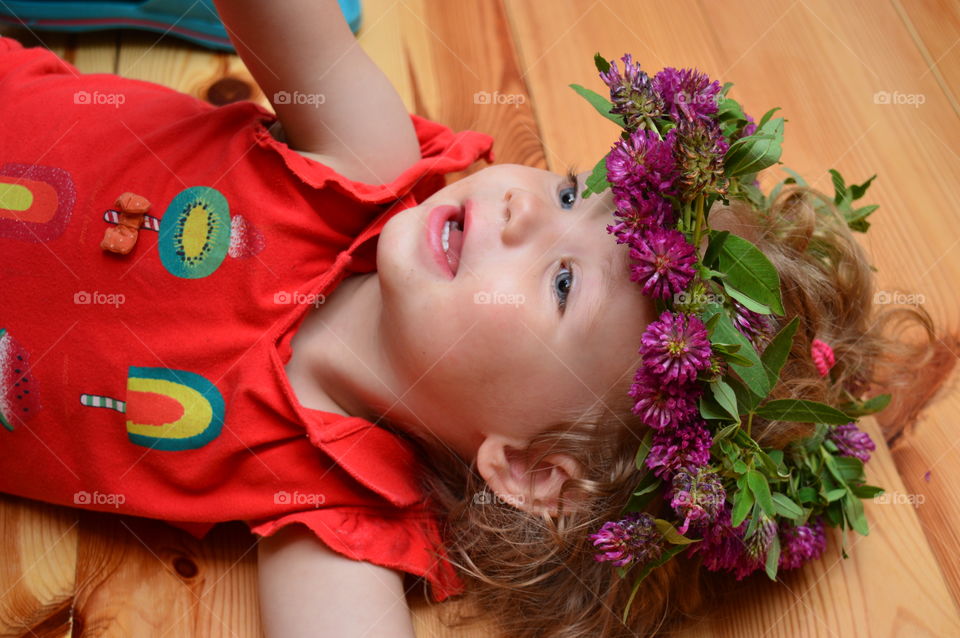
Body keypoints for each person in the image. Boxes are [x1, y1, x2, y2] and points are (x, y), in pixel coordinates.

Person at [0, 2, 953, 637]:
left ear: (533, 470)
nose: (523, 209)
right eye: (578, 189)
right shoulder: (364, 164)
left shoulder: (334, 511)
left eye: (566, 283)